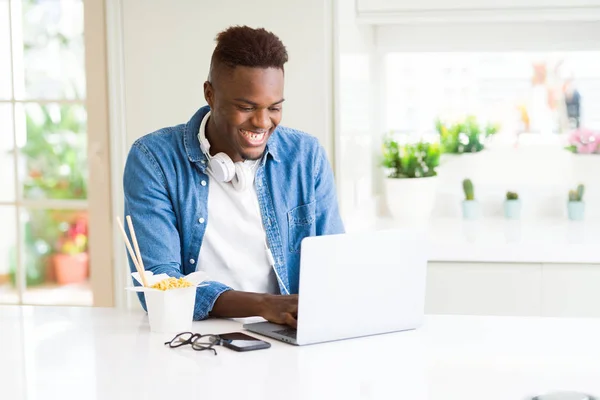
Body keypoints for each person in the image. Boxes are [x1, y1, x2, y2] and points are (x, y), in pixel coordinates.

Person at [123, 26, 344, 328]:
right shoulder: (154, 159)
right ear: (210, 95)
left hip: (287, 334)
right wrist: (265, 305)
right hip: (196, 337)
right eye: (246, 107)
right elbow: (160, 285)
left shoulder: (306, 156)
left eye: (274, 107)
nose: (263, 122)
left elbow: (335, 263)